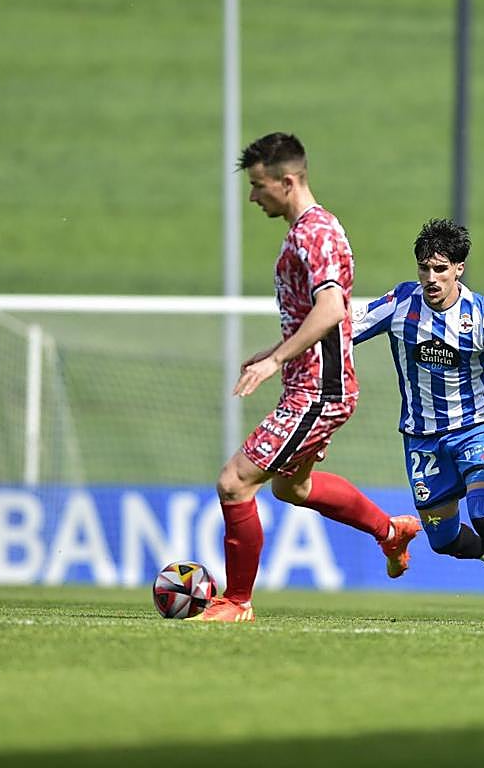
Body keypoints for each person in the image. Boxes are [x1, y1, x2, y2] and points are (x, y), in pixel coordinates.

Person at [190, 132, 420, 623]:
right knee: (292, 489)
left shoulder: (316, 233)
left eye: (258, 186)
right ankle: (390, 532)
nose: (253, 197)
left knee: (234, 483)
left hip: (319, 390)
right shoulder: (307, 231)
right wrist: (275, 351)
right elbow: (315, 318)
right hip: (315, 384)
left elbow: (333, 308)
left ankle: (237, 602)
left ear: (287, 181)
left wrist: (275, 362)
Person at [353, 219, 484, 625]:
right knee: (444, 540)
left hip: (479, 430)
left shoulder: (481, 315)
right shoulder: (400, 304)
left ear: (459, 268)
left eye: (440, 269)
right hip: (422, 438)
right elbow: (341, 329)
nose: (431, 278)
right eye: (424, 268)